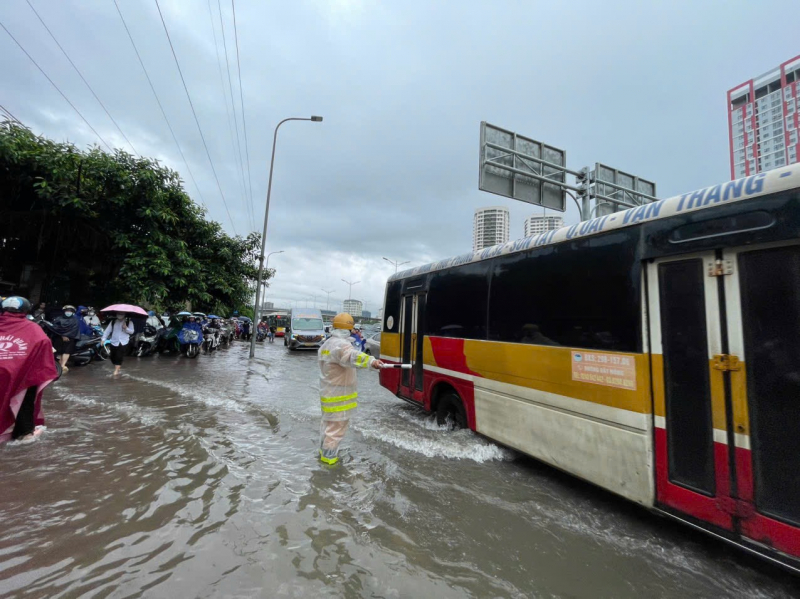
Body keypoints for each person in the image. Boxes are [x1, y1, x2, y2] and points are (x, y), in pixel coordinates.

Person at [317, 312, 384, 465]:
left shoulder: (327, 344)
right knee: (336, 431)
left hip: (328, 394)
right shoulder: (341, 345)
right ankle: (329, 465)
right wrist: (371, 361)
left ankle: (323, 455)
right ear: (348, 329)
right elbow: (352, 356)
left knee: (327, 428)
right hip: (339, 396)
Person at [0, 296, 58, 443]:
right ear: (25, 310)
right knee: (26, 399)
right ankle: (25, 433)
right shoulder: (32, 328)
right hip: (19, 375)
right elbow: (44, 343)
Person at [50, 304, 80, 373]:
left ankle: (63, 365)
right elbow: (54, 328)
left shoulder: (75, 320)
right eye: (67, 311)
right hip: (59, 337)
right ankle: (59, 365)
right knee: (58, 351)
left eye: (70, 311)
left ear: (73, 312)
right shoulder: (58, 319)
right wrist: (62, 335)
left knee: (67, 351)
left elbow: (74, 330)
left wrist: (67, 336)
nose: (68, 312)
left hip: (70, 338)